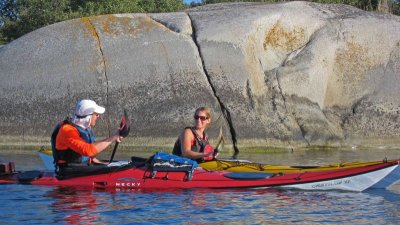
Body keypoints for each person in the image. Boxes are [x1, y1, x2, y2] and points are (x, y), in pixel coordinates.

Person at [51, 99, 123, 176]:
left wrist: (96, 161)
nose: (98, 117)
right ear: (88, 117)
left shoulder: (86, 127)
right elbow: (88, 150)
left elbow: (89, 151)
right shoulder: (67, 130)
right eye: (96, 114)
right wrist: (114, 137)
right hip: (68, 171)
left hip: (82, 166)